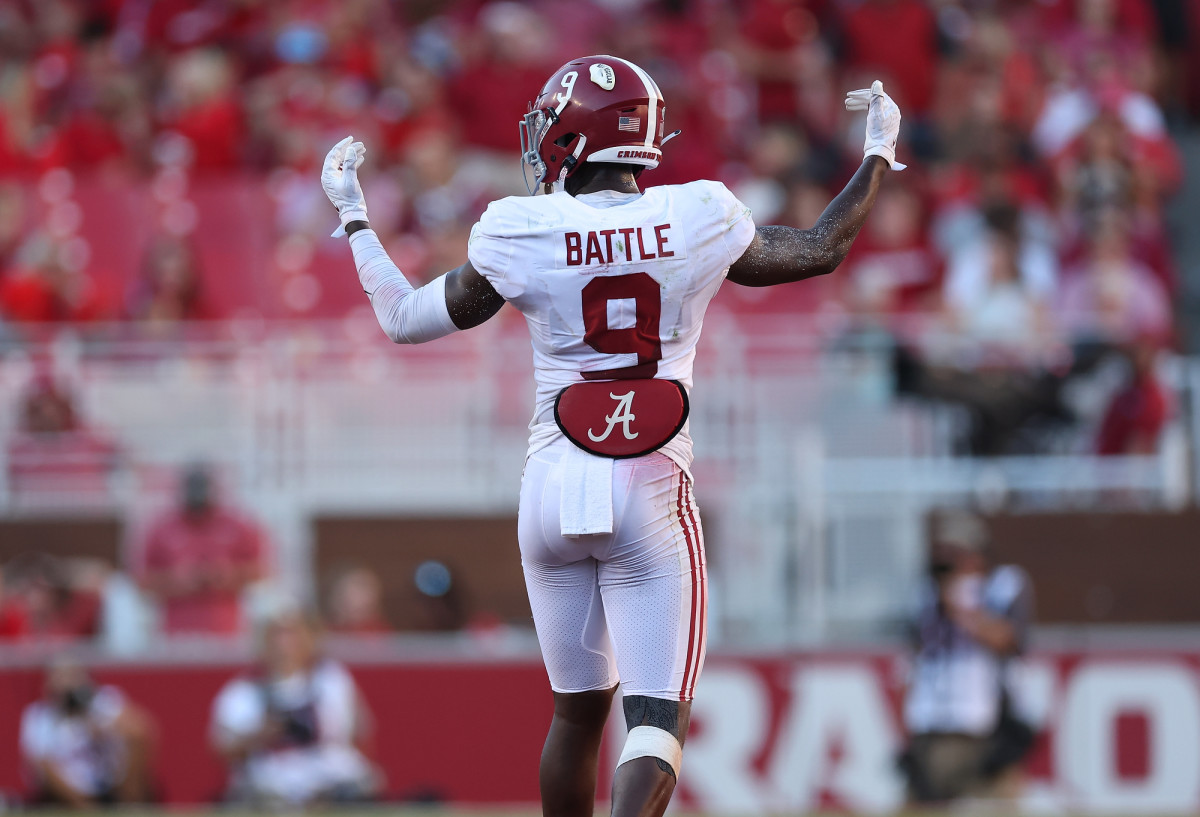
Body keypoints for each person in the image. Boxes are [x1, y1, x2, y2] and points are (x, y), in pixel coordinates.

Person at [320, 55, 902, 817]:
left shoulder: (521, 227)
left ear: (575, 133)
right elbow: (821, 247)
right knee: (655, 722)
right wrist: (877, 153)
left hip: (553, 487)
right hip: (650, 484)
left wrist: (356, 218)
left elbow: (404, 319)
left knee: (576, 713)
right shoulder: (699, 213)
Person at [900, 512, 1036, 805]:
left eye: (955, 554)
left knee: (995, 802)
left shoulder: (1003, 585)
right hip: (932, 726)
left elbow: (1008, 639)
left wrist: (960, 608)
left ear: (976, 554)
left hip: (987, 731)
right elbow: (915, 653)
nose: (947, 564)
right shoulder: (926, 594)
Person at [209, 604, 378, 806]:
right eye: (277, 634)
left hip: (329, 774)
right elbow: (223, 748)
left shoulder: (331, 679)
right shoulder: (244, 691)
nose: (285, 644)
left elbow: (359, 733)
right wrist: (260, 735)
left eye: (293, 633)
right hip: (271, 778)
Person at [137, 464, 267, 636]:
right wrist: (175, 579)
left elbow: (262, 571)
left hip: (225, 626)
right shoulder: (162, 528)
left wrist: (229, 575)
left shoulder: (237, 525)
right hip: (177, 628)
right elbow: (141, 580)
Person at [19, 658, 154, 808]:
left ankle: (131, 806)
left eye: (72, 675)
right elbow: (39, 763)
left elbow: (138, 730)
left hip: (110, 783)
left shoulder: (103, 701)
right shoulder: (41, 715)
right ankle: (89, 810)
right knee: (46, 769)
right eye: (61, 677)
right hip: (68, 791)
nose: (67, 684)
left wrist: (103, 726)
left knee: (135, 740)